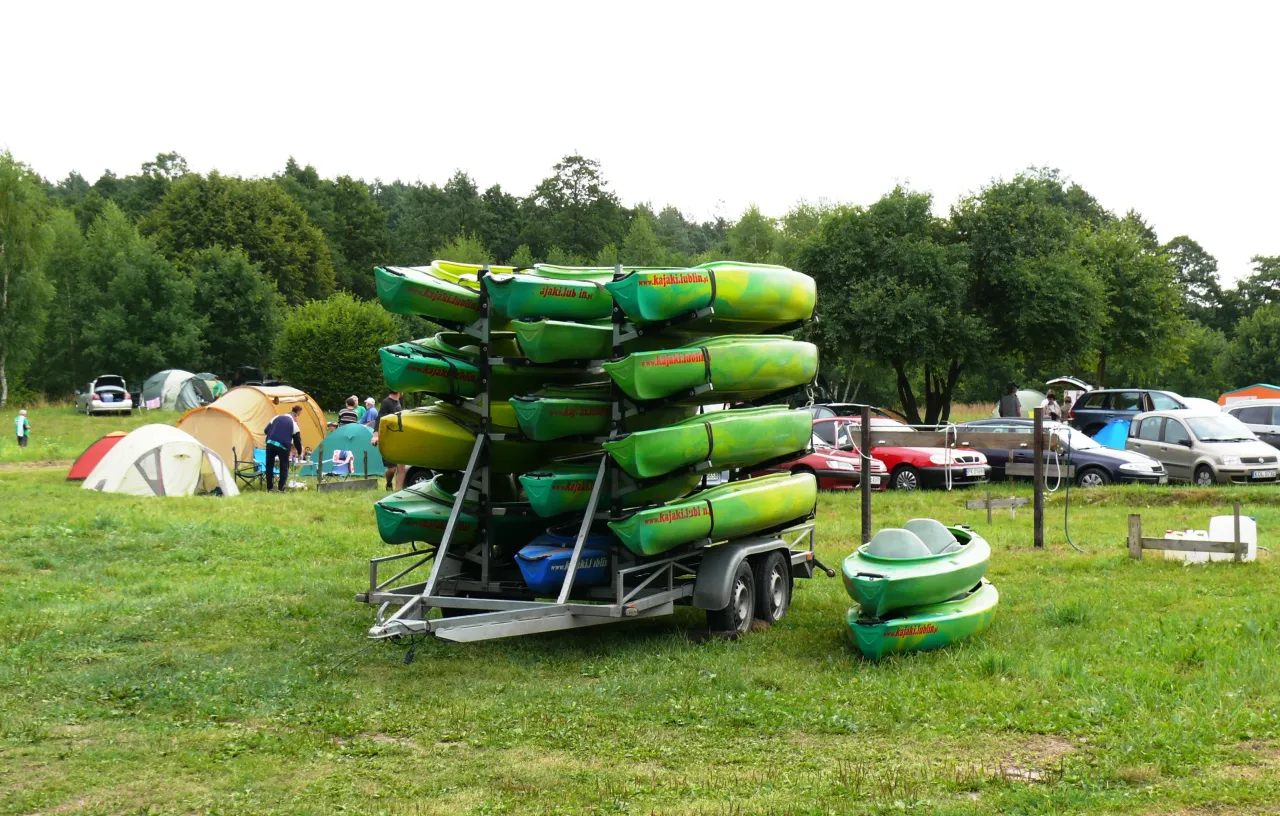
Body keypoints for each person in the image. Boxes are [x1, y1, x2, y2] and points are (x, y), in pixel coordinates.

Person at [264, 406, 304, 493]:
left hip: (270, 443)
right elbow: (297, 440)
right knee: (284, 467)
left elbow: (266, 430)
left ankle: (270, 488)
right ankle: (281, 489)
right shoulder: (293, 424)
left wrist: (274, 433)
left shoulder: (276, 417)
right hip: (283, 446)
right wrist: (300, 452)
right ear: (295, 416)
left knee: (269, 466)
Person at [376, 390, 403, 490]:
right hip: (388, 439)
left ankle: (398, 491)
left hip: (398, 438)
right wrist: (375, 435)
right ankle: (389, 483)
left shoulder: (399, 401)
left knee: (401, 467)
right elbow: (379, 419)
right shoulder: (386, 402)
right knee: (392, 469)